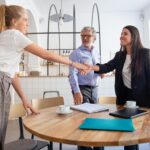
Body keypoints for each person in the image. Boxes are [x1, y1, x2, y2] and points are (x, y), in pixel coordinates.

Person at [0, 5, 87, 150]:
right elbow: (45, 55)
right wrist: (74, 63)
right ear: (14, 21)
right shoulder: (14, 34)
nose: (27, 24)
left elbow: (13, 74)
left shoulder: (5, 36)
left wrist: (25, 99)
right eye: (25, 20)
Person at [84, 25, 150, 150]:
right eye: (121, 33)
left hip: (143, 100)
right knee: (128, 134)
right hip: (125, 100)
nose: (121, 36)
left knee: (143, 133)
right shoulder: (119, 55)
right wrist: (91, 67)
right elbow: (106, 67)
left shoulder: (145, 54)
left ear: (134, 36)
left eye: (125, 33)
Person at [69, 26, 103, 150]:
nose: (84, 38)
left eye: (88, 35)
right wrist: (76, 91)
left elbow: (96, 68)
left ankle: (98, 146)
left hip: (95, 88)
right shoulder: (76, 53)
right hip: (82, 88)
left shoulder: (96, 52)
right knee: (83, 120)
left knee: (96, 119)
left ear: (94, 37)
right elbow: (72, 74)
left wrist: (101, 72)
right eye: (82, 35)